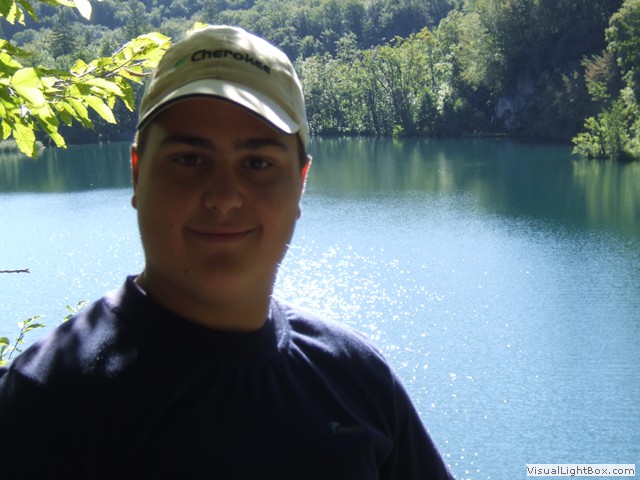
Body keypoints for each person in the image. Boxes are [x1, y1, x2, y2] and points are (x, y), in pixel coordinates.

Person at [0, 25, 455, 479]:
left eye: (257, 163)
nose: (223, 197)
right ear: (138, 174)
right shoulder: (45, 400)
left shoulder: (356, 378)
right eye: (189, 159)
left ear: (300, 183)